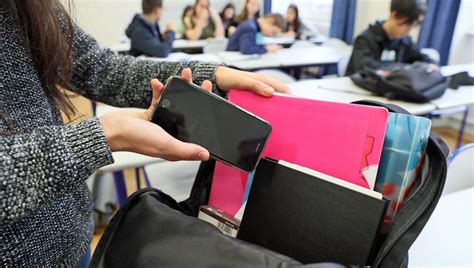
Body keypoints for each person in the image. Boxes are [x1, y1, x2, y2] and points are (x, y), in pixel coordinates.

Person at [0, 0, 289, 266]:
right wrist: (105, 135)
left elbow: (103, 70)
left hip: (72, 238)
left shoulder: (28, 6)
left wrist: (210, 74)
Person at [346, 0, 438, 76]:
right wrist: (402, 69)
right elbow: (364, 67)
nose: (408, 31)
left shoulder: (405, 41)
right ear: (394, 15)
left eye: (412, 27)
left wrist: (431, 64)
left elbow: (420, 57)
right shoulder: (365, 39)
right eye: (406, 25)